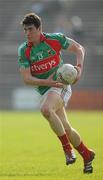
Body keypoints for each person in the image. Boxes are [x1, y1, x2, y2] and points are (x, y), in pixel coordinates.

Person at [18, 13, 95, 173]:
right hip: (47, 88)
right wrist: (47, 82)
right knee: (66, 128)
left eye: (30, 29)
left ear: (39, 28)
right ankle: (86, 154)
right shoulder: (24, 50)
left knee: (46, 109)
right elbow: (27, 78)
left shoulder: (55, 39)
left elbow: (79, 48)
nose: (27, 33)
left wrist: (79, 68)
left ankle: (67, 149)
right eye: (25, 30)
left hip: (61, 85)